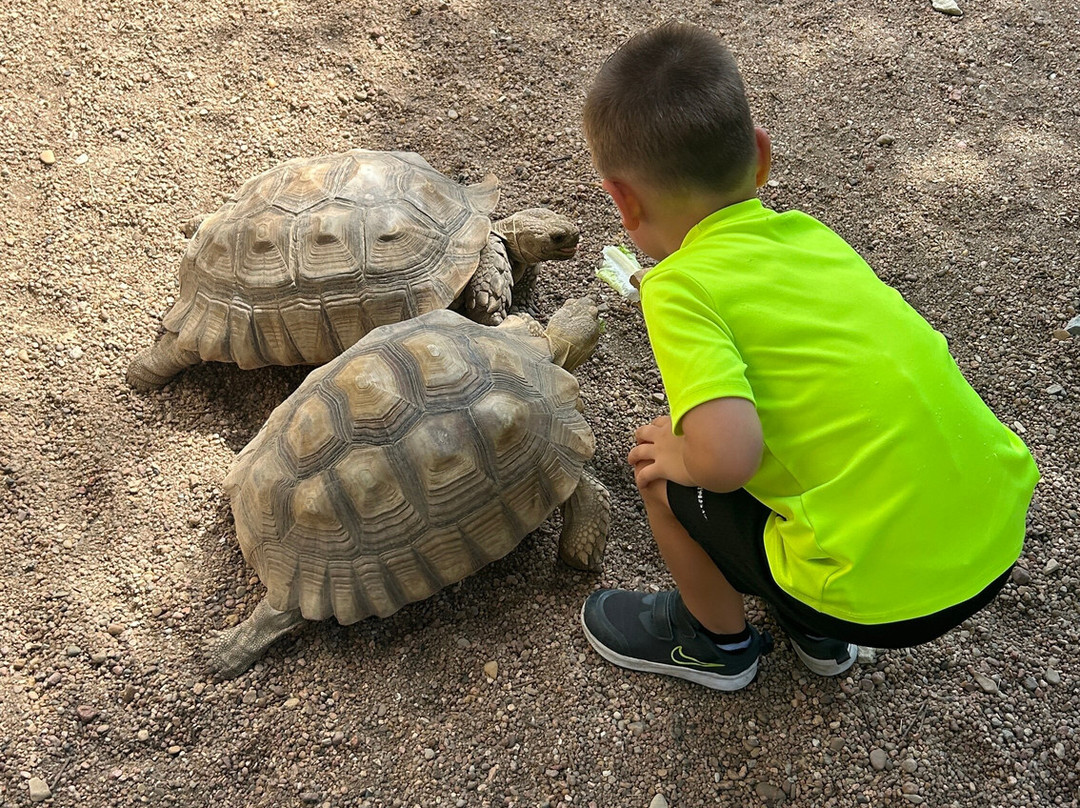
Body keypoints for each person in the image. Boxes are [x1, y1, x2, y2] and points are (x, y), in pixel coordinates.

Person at [578, 22, 1040, 692]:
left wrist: (680, 454)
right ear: (760, 157)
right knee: (822, 430)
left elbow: (728, 460)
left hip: (881, 599)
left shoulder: (678, 287)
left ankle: (716, 644)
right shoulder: (811, 238)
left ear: (621, 200)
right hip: (995, 536)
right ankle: (815, 635)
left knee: (660, 466)